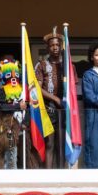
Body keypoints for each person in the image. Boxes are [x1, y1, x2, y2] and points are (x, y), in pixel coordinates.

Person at [35, 29, 65, 169]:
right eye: (52, 45)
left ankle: (62, 176)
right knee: (50, 143)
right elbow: (38, 88)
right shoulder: (41, 65)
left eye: (58, 45)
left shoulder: (67, 66)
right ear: (47, 47)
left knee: (63, 144)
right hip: (48, 109)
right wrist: (55, 99)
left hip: (65, 110)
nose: (55, 47)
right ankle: (48, 176)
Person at [0, 56, 26, 169]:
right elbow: (0, 106)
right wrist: (17, 106)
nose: (13, 77)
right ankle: (10, 172)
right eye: (9, 74)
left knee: (25, 151)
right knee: (10, 151)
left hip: (22, 126)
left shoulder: (23, 91)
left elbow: (30, 107)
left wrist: (26, 122)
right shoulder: (2, 90)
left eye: (15, 74)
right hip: (8, 125)